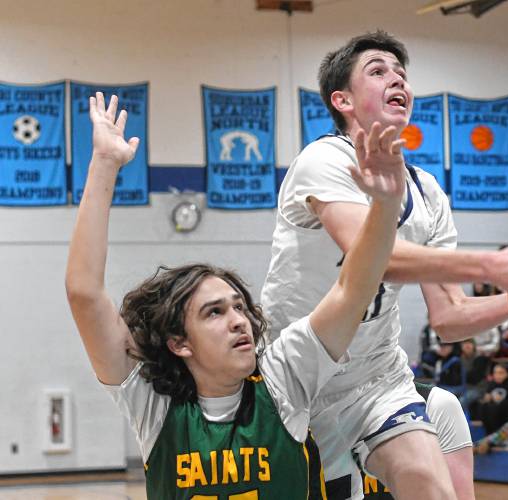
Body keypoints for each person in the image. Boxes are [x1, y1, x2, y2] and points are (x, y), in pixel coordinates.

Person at [260, 30, 508, 500]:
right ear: (341, 99)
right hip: (297, 376)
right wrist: (493, 266)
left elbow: (450, 319)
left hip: (376, 378)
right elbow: (372, 260)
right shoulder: (323, 160)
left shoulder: (427, 192)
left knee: (433, 487)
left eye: (402, 74)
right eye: (378, 71)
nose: (396, 80)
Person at [64, 93, 406, 498]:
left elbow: (354, 288)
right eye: (214, 312)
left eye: (239, 306)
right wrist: (104, 162)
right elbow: (84, 294)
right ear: (179, 342)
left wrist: (385, 205)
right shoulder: (153, 406)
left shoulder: (284, 379)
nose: (238, 320)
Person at [474, 363, 508, 435]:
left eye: (501, 373)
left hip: (506, 413)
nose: (497, 375)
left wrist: (499, 400)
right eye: (495, 373)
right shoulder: (492, 384)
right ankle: (488, 433)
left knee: (495, 407)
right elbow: (486, 398)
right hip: (493, 413)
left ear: (507, 374)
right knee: (484, 405)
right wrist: (487, 398)